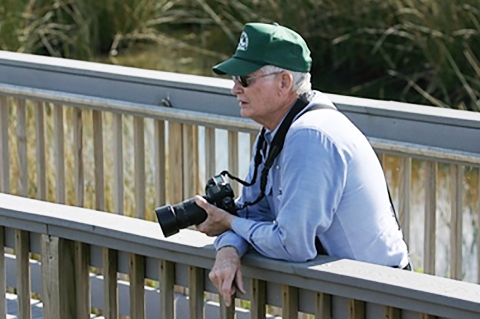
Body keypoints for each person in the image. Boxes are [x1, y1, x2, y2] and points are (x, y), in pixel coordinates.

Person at [194, 22, 410, 307]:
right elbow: (253, 211)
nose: (234, 89)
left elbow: (292, 244)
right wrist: (228, 249)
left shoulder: (310, 135)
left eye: (245, 79)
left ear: (284, 82)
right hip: (347, 293)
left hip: (380, 299)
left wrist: (228, 223)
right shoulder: (278, 128)